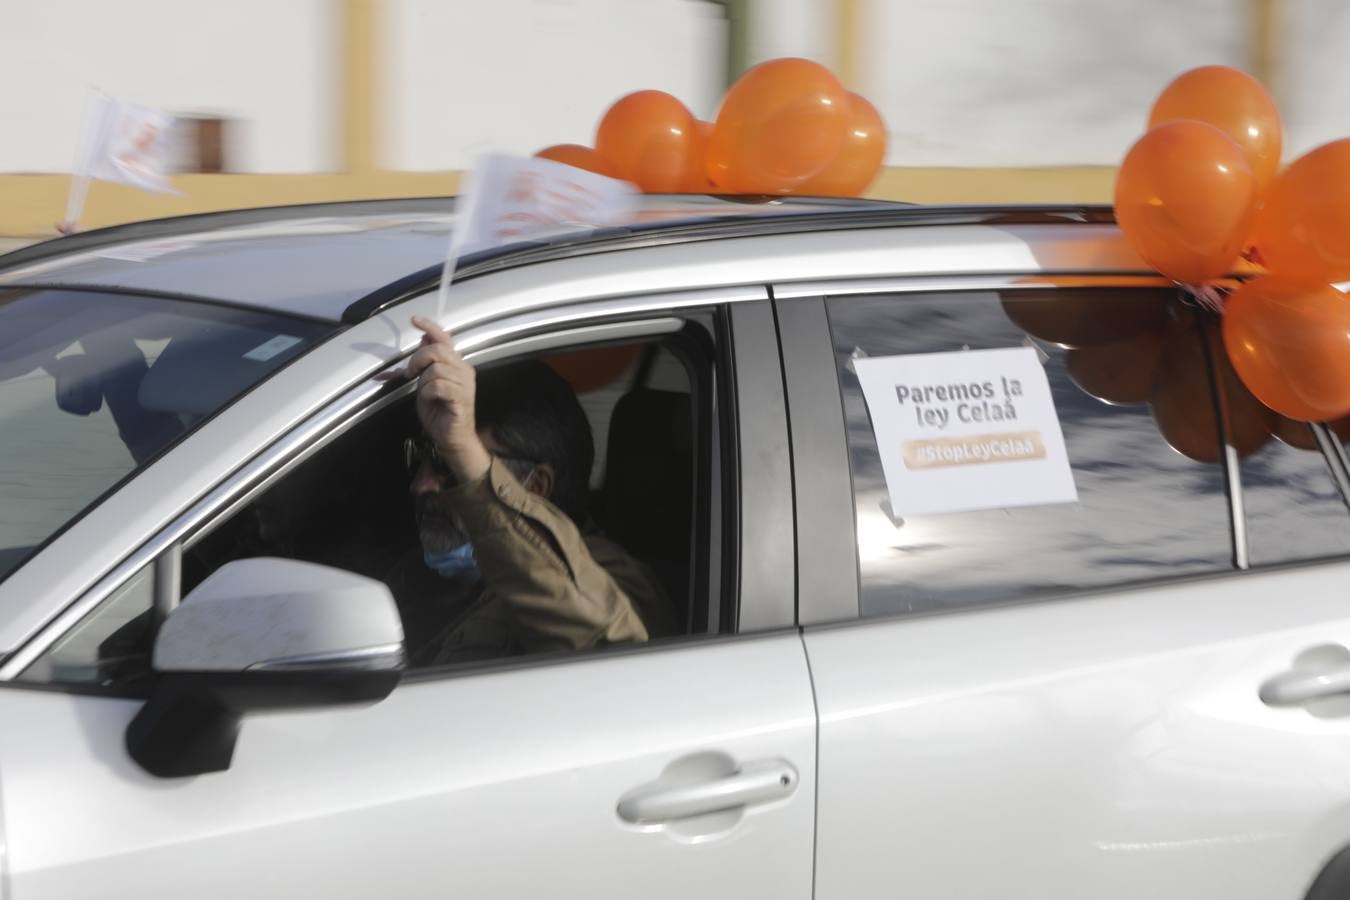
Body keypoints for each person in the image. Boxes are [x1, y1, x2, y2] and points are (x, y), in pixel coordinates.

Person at [389, 316, 673, 666]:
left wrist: (463, 447)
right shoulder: (417, 575)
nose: (422, 485)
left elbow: (605, 650)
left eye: (449, 466)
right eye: (420, 459)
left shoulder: (614, 581)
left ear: (536, 487)